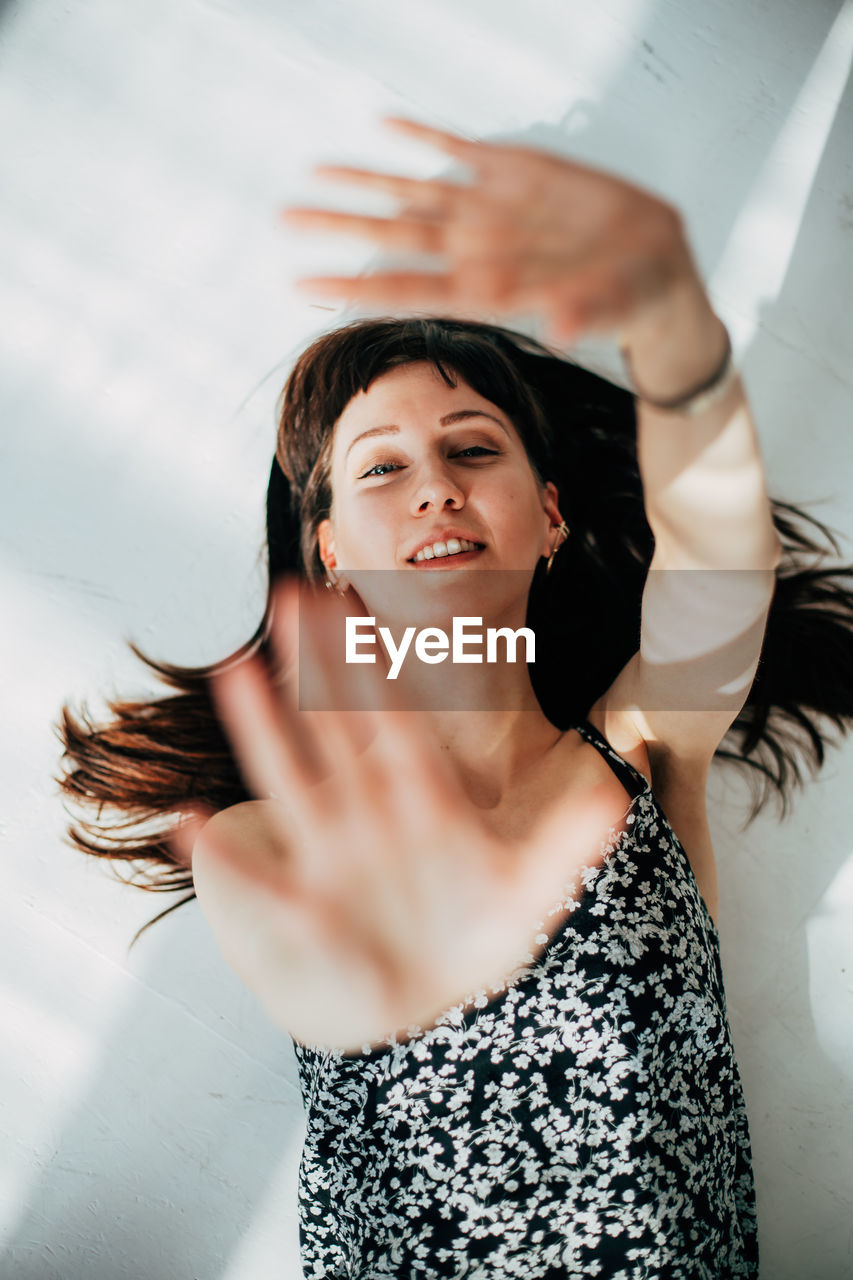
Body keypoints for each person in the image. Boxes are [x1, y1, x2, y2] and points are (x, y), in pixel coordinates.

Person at [56, 118, 853, 1278]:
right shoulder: (259, 842)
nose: (433, 484)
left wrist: (671, 312)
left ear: (550, 517)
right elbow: (350, 981)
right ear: (330, 553)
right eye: (383, 466)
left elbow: (721, 564)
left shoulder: (645, 749)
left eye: (473, 449)